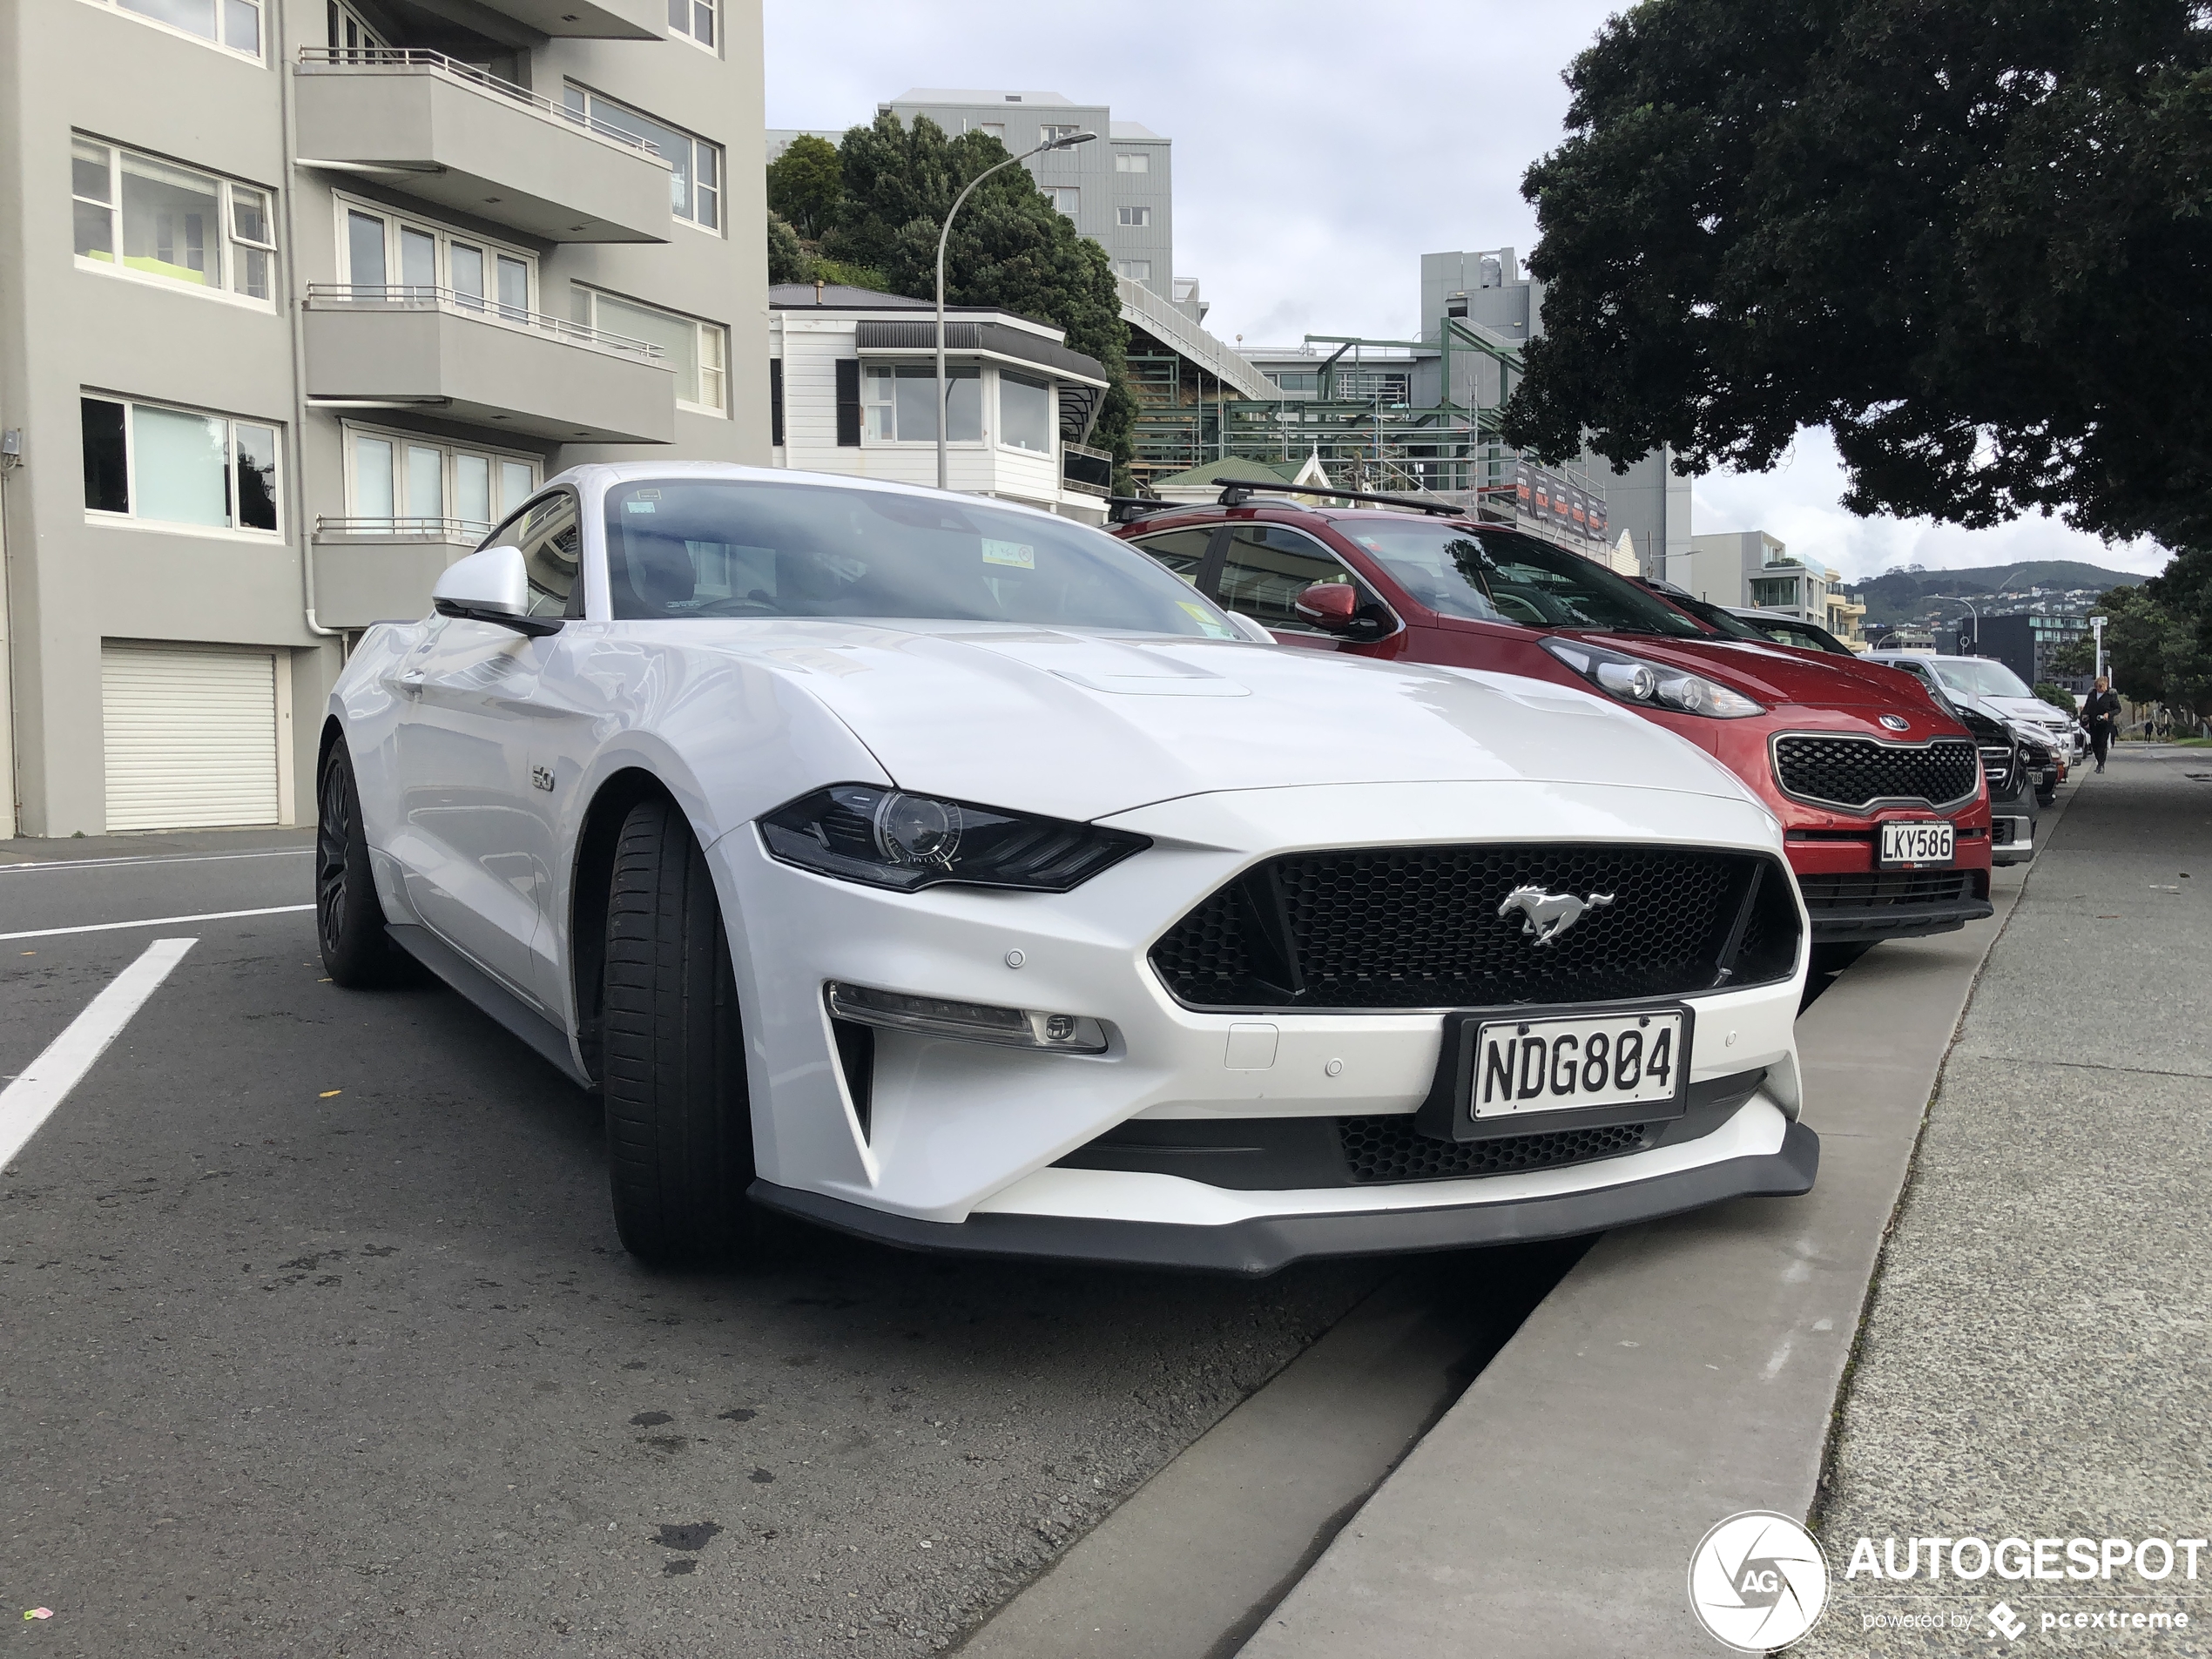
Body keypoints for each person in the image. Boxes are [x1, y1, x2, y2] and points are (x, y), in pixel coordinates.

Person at [2080, 678, 2121, 772]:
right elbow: (2087, 706)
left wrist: (2109, 714)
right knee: (2094, 743)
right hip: (2093, 722)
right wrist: (2084, 714)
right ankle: (2099, 761)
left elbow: (2118, 708)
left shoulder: (2111, 695)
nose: (2100, 688)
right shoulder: (2092, 694)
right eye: (2098, 686)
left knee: (2102, 743)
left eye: (2102, 686)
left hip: (2105, 723)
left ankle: (2101, 764)